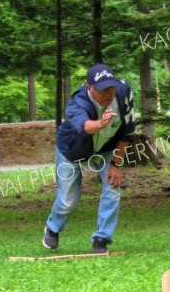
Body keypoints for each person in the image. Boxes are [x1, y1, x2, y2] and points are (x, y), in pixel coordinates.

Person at [43, 63, 135, 253]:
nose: (107, 94)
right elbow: (84, 126)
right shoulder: (78, 102)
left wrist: (116, 164)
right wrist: (101, 124)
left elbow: (127, 132)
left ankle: (101, 239)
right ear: (89, 88)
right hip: (72, 152)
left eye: (111, 88)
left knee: (113, 187)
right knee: (68, 200)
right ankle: (53, 228)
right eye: (102, 91)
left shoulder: (124, 93)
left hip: (105, 150)